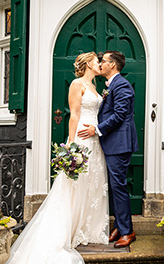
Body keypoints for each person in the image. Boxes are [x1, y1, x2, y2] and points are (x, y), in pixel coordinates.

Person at [6, 52, 109, 264]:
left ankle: (87, 228)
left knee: (92, 181)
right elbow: (74, 114)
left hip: (94, 137)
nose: (100, 64)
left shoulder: (95, 88)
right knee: (74, 183)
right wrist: (72, 144)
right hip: (81, 136)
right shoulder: (76, 84)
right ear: (89, 63)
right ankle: (67, 230)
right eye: (97, 61)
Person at [77, 50, 138, 248]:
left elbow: (119, 115)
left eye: (103, 61)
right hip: (112, 144)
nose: (101, 64)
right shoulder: (111, 85)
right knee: (114, 186)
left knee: (118, 187)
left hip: (119, 145)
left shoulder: (122, 86)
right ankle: (120, 226)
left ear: (112, 65)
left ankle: (128, 232)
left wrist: (97, 129)